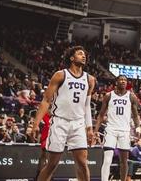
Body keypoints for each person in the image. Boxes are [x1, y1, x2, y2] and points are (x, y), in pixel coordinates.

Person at [32, 46, 96, 181]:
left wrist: (89, 128)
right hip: (59, 121)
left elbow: (87, 105)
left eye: (84, 54)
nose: (83, 56)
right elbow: (46, 100)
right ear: (72, 58)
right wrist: (35, 123)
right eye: (80, 54)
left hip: (78, 123)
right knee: (52, 164)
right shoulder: (60, 75)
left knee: (83, 164)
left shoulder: (90, 79)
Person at [94, 75, 141, 181]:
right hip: (111, 129)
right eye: (121, 79)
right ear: (116, 82)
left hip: (124, 130)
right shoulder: (108, 96)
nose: (123, 81)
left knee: (124, 161)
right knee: (107, 159)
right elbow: (101, 115)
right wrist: (95, 131)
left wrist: (138, 128)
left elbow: (135, 115)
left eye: (125, 80)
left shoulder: (131, 96)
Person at [35, 112, 50, 179]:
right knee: (45, 156)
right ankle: (41, 175)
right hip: (45, 139)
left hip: (54, 138)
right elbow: (39, 128)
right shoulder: (44, 116)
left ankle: (45, 175)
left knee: (45, 157)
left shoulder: (57, 116)